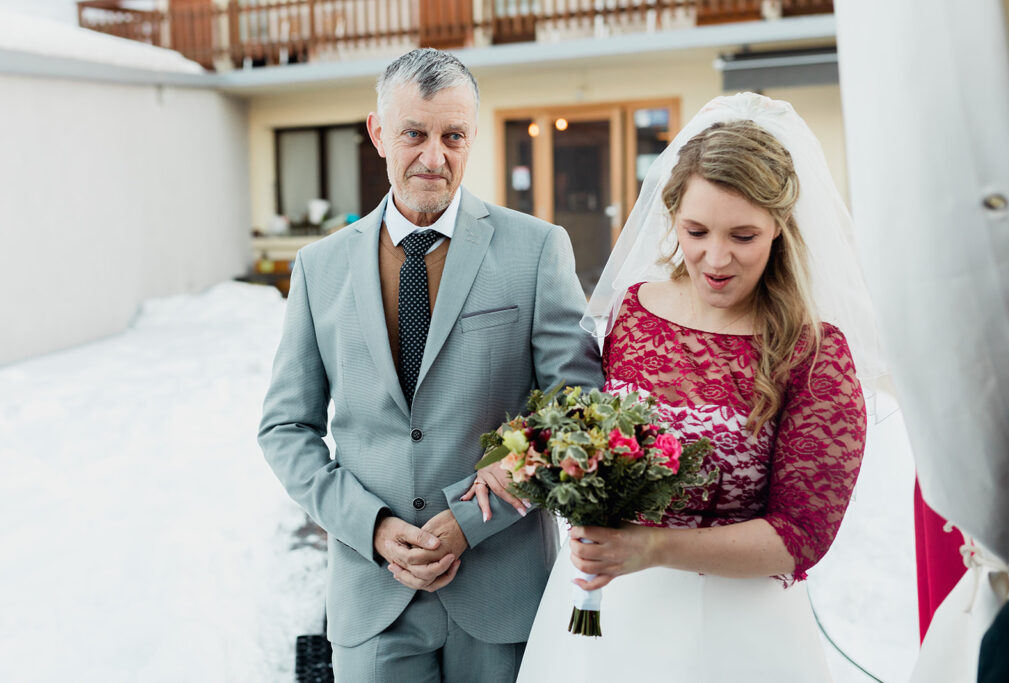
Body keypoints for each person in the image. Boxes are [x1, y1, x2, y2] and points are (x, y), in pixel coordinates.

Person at [469, 93, 882, 681]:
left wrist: (653, 549)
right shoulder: (635, 313)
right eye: (696, 231)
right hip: (604, 617)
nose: (715, 258)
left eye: (743, 236)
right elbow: (594, 427)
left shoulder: (815, 353)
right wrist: (524, 458)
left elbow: (801, 537)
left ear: (780, 230)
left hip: (739, 633)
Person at [258, 48, 603, 682]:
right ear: (378, 132)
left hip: (503, 595)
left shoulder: (536, 250)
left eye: (454, 136)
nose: (434, 157)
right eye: (414, 134)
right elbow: (286, 430)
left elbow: (580, 409)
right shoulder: (318, 268)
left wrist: (473, 520)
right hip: (372, 599)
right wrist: (374, 527)